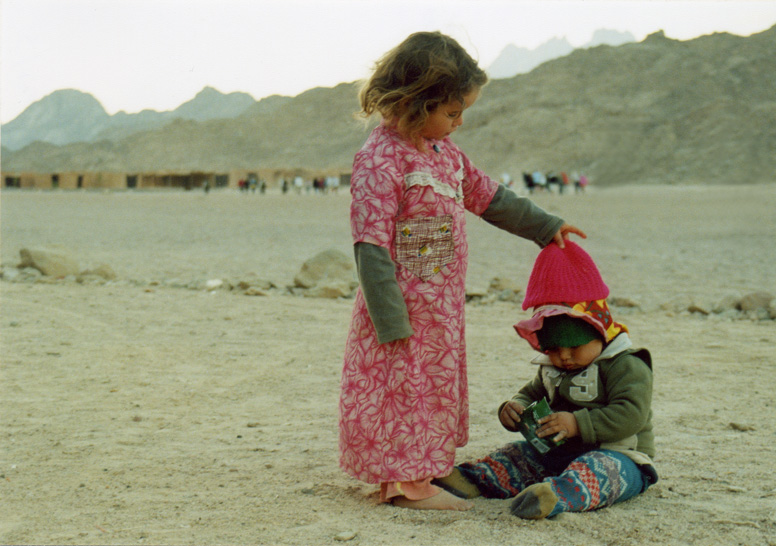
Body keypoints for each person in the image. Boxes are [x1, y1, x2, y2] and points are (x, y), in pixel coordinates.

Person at [339, 31, 586, 512]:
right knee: (402, 390)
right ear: (415, 102)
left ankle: (430, 464)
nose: (458, 122)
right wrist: (391, 320)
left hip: (442, 307)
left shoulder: (445, 154)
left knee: (433, 387)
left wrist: (546, 226)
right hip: (400, 309)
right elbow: (370, 244)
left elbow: (489, 196)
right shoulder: (380, 157)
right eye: (451, 112)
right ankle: (405, 486)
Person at [434, 241, 657, 519]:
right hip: (558, 453)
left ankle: (555, 496)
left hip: (620, 455)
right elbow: (532, 393)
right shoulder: (553, 368)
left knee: (599, 472)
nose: (564, 358)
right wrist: (514, 407)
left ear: (600, 333)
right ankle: (471, 479)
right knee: (516, 455)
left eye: (574, 348)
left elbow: (631, 414)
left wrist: (577, 424)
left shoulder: (625, 363)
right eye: (552, 350)